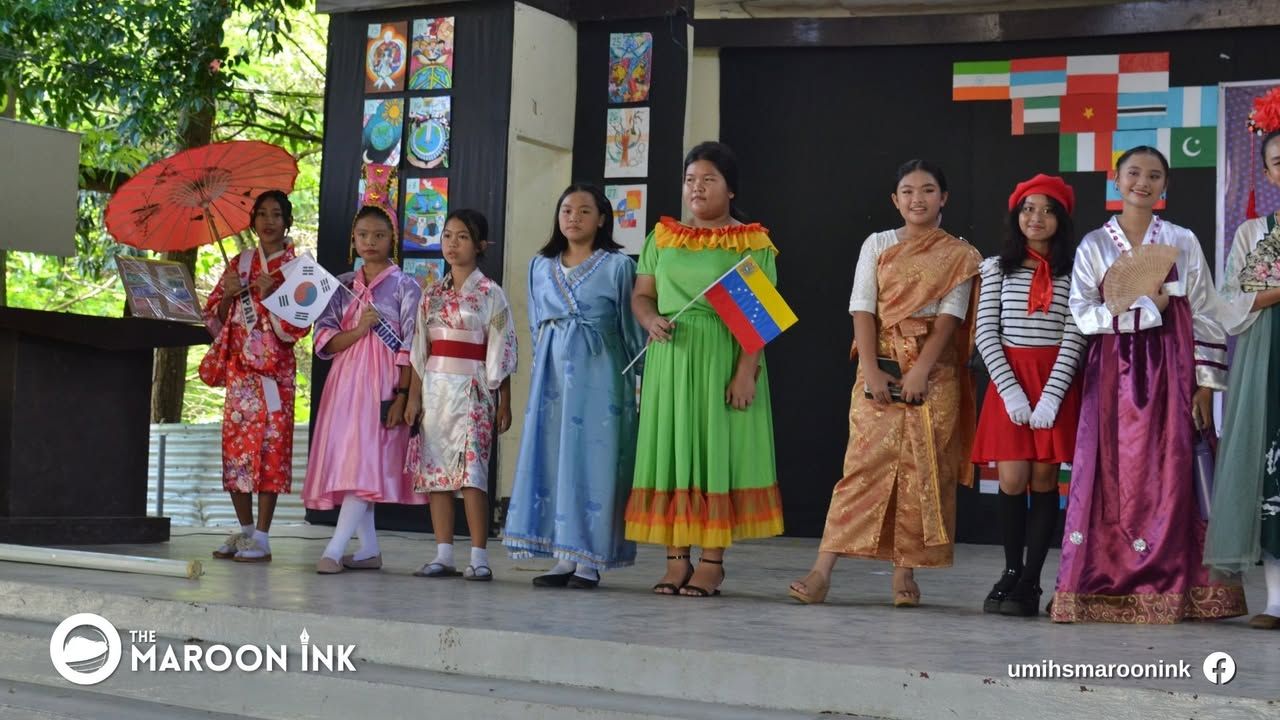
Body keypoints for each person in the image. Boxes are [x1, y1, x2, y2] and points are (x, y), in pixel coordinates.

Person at [1052, 146, 1246, 623]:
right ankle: (1104, 582)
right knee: (1113, 473)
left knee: (1174, 468)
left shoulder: (1181, 239)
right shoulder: (1095, 245)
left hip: (1174, 370)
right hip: (1112, 374)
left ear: (1165, 185)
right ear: (1115, 179)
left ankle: (1177, 587)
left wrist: (1205, 383)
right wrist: (1144, 311)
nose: (1144, 181)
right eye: (1134, 172)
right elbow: (1082, 313)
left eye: (1155, 175)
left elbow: (1205, 313)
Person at [788, 160, 981, 607]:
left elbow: (950, 318)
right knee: (860, 469)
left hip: (934, 375)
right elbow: (862, 306)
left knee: (921, 472)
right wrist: (872, 368)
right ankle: (821, 571)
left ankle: (904, 577)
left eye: (928, 190)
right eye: (908, 191)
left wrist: (920, 371)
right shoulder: (877, 244)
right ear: (895, 200)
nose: (918, 199)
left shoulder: (960, 256)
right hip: (880, 364)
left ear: (944, 198)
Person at [626, 141, 785, 597]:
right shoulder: (663, 237)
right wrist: (649, 319)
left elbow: (758, 319)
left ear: (730, 189)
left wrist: (744, 373)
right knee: (674, 450)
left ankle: (712, 561)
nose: (697, 188)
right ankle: (676, 560)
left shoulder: (750, 241)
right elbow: (642, 296)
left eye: (708, 180)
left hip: (723, 354)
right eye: (690, 180)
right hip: (671, 360)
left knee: (718, 451)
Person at [503, 183, 646, 588]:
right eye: (566, 210)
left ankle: (589, 560)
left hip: (600, 376)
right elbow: (534, 322)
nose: (573, 218)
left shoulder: (618, 267)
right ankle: (562, 556)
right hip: (552, 377)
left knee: (592, 463)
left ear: (602, 218)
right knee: (553, 457)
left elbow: (630, 331)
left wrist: (640, 378)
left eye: (584, 211)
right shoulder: (539, 266)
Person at [970, 174, 1086, 616]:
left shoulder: (1076, 272)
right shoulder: (996, 267)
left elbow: (1075, 336)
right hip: (1009, 384)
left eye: (1047, 210)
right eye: (1027, 209)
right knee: (1012, 479)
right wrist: (1012, 393)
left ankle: (1033, 582)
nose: (1036, 218)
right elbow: (985, 332)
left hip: (1053, 380)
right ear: (1016, 215)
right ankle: (1010, 570)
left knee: (1043, 480)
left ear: (1062, 218)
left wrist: (1052, 396)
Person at [303, 203, 424, 574]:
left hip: (383, 381)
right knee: (352, 461)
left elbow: (414, 344)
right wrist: (358, 329)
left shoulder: (406, 285)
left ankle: (335, 549)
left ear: (393, 240)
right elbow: (324, 339)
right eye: (363, 235)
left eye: (379, 235)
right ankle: (369, 548)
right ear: (354, 240)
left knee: (364, 464)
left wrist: (403, 394)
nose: (370, 242)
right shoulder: (340, 286)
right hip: (345, 383)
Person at [404, 209, 518, 581]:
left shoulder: (491, 294)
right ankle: (443, 553)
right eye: (448, 236)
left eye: (463, 237)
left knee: (472, 475)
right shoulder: (431, 294)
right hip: (435, 389)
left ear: (480, 245)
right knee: (436, 473)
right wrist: (413, 398)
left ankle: (480, 555)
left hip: (474, 389)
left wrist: (504, 400)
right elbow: (421, 350)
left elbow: (502, 349)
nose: (452, 244)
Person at [200, 190, 309, 563]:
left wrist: (275, 291)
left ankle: (263, 535)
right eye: (261, 214)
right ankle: (245, 530)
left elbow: (299, 326)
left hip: (275, 376)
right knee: (236, 452)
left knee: (270, 452)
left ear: (287, 220)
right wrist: (230, 295)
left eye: (276, 214)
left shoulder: (298, 268)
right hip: (240, 375)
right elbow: (213, 318)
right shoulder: (240, 264)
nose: (268, 221)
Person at [1205, 91, 1280, 629]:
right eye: (1279, 162)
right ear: (1269, 171)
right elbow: (1229, 304)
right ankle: (1277, 600)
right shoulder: (1253, 234)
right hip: (1269, 352)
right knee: (1269, 467)